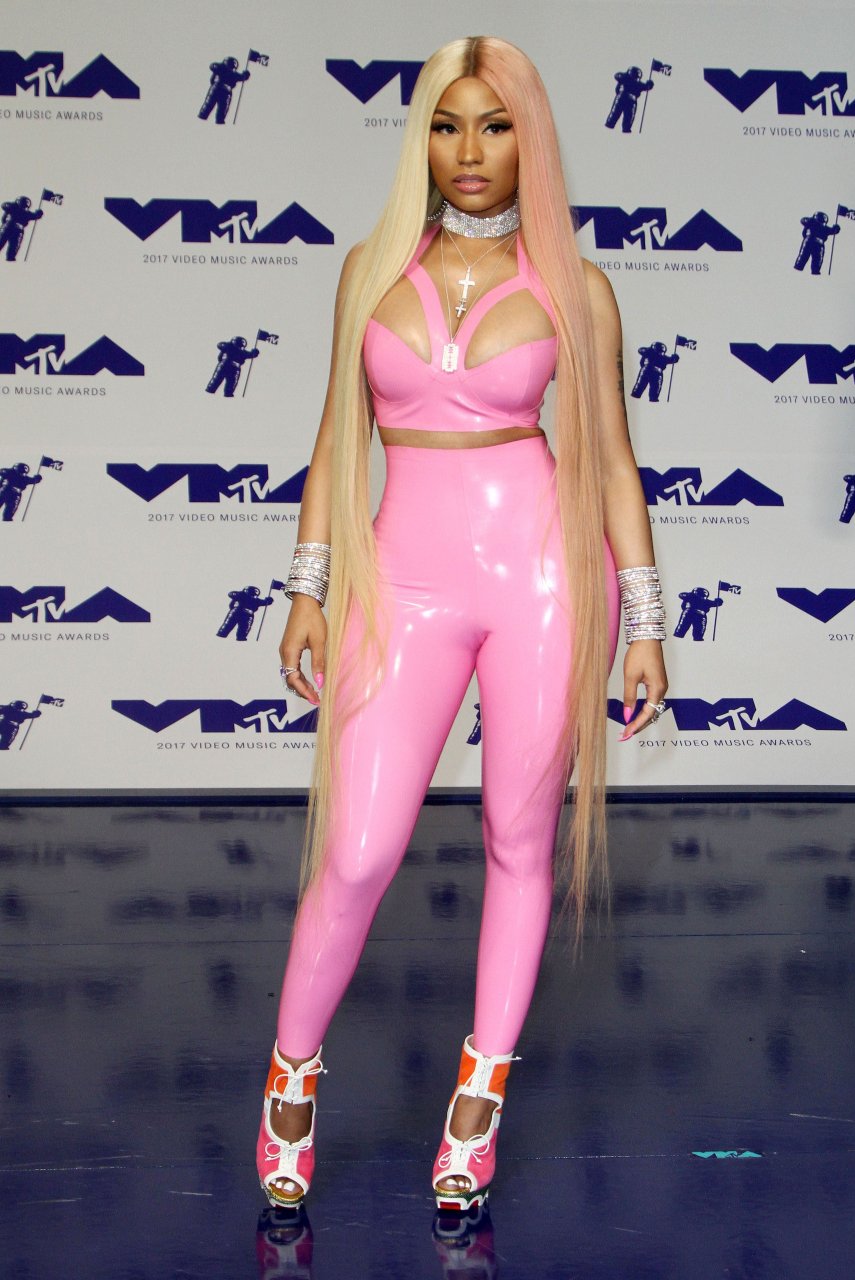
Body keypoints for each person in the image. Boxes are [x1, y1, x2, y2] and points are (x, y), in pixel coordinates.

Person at [257, 36, 668, 1216]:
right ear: (421, 139)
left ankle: (478, 1097)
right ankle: (291, 1073)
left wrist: (644, 617)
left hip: (544, 579)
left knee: (517, 841)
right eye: (447, 124)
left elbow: (614, 462)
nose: (470, 150)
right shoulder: (369, 270)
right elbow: (336, 441)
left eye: (494, 125)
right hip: (404, 583)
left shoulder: (578, 287)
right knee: (357, 849)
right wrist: (308, 587)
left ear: (528, 139)